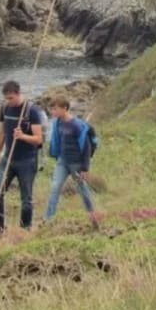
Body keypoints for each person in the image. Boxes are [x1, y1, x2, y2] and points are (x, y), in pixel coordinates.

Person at [0, 80, 44, 233]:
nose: (8, 101)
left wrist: (23, 136)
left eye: (11, 98)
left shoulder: (31, 111)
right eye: (6, 98)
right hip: (8, 159)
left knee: (26, 199)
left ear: (19, 94)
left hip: (27, 160)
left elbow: (39, 139)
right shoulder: (5, 108)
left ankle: (25, 229)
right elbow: (1, 133)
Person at [43, 95, 99, 228]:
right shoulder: (57, 122)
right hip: (62, 161)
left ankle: (93, 216)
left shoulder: (77, 125)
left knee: (82, 190)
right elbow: (57, 139)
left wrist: (85, 168)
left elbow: (86, 148)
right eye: (52, 109)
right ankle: (47, 219)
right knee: (55, 188)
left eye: (55, 109)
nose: (53, 112)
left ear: (65, 108)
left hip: (76, 164)